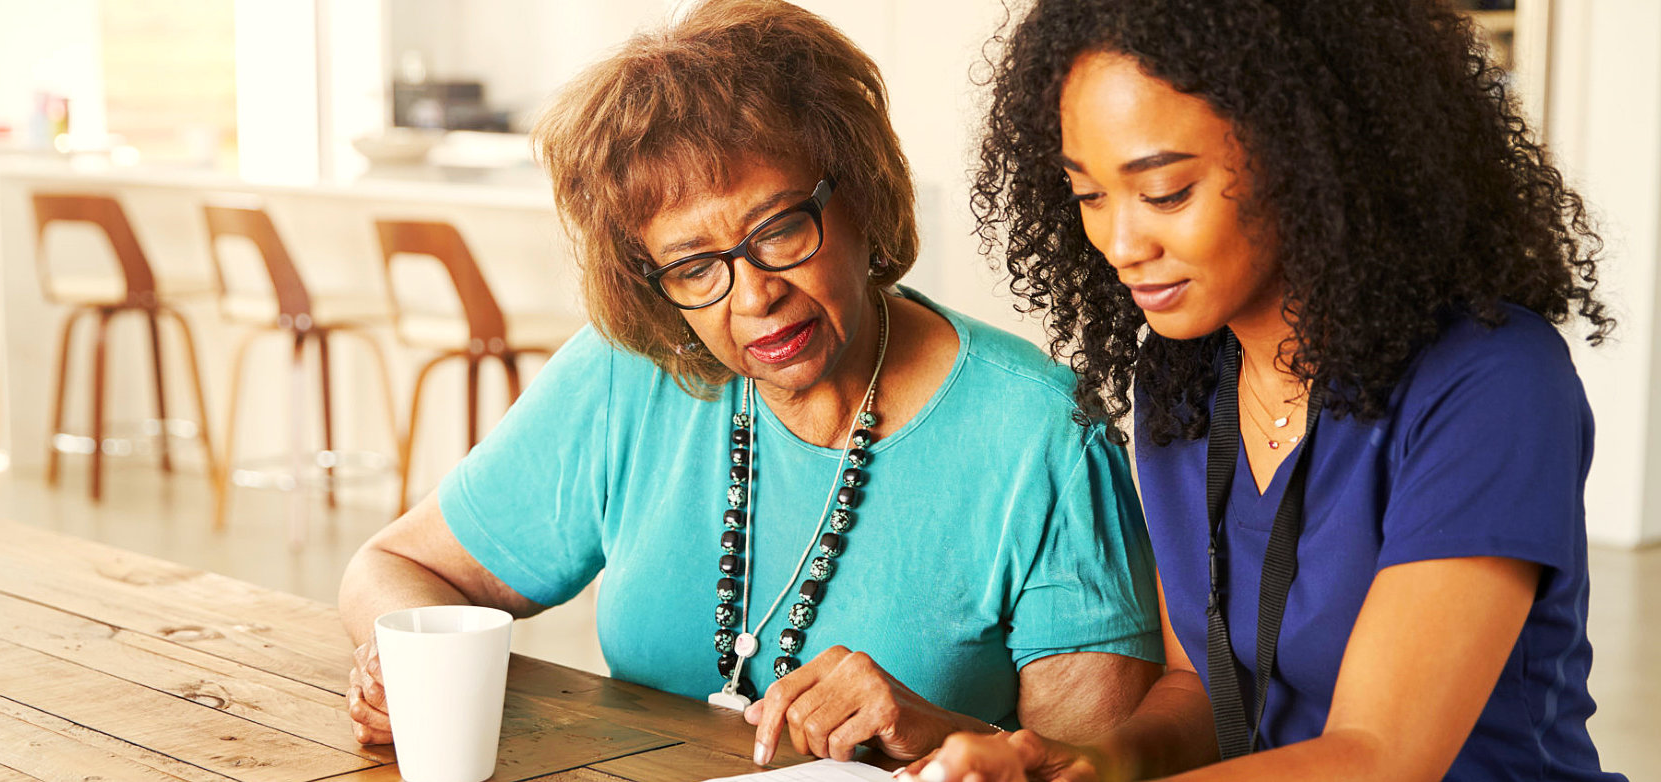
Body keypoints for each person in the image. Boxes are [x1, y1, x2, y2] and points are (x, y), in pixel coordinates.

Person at [339, 0, 1164, 765]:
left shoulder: (1042, 436)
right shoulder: (629, 376)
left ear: (860, 194)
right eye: (695, 267)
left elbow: (1090, 771)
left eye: (778, 230)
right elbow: (396, 565)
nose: (753, 295)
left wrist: (937, 732)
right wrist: (402, 664)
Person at [908, 1, 1625, 780]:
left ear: (1308, 156)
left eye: (1166, 192)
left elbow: (1382, 756)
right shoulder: (1181, 380)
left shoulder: (1493, 383)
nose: (1120, 243)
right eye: (1088, 195)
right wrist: (1088, 763)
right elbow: (1203, 687)